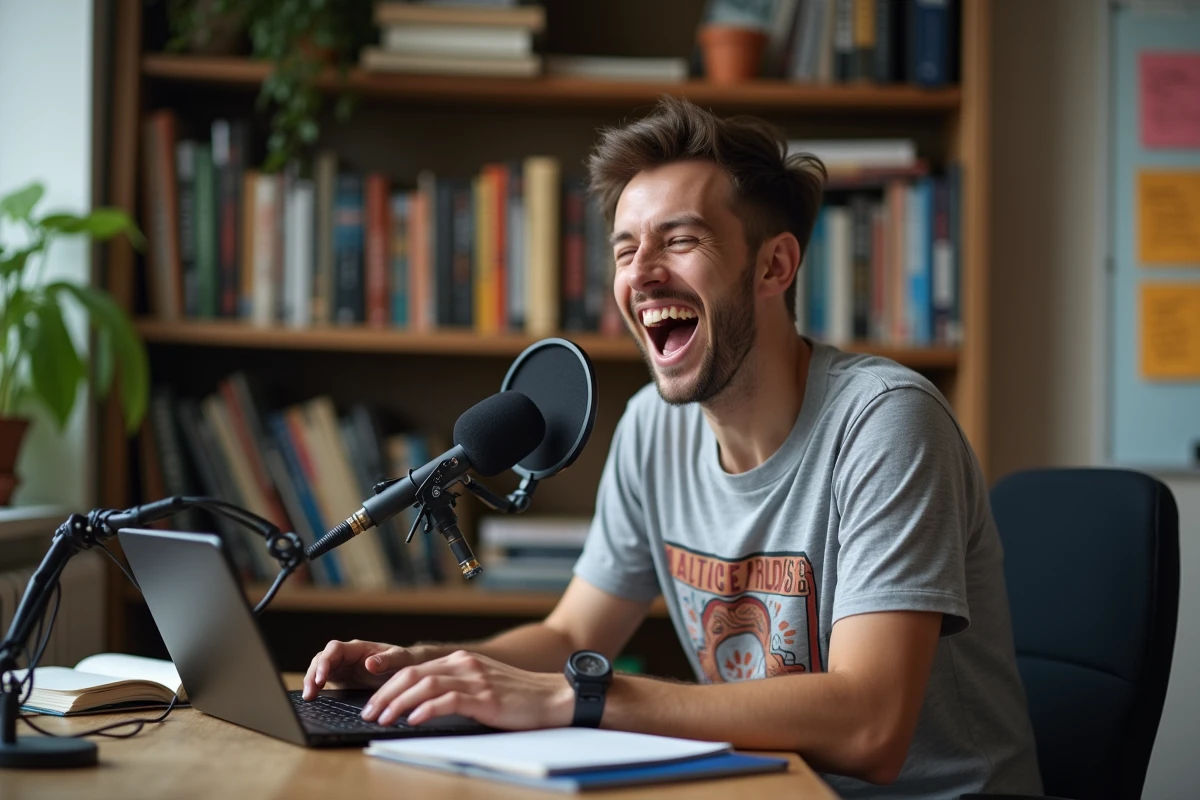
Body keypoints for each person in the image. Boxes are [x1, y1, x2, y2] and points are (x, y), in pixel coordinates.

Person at [303, 97, 1042, 797]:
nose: (642, 273)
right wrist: (428, 668)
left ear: (774, 267)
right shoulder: (651, 427)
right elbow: (572, 632)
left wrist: (582, 696)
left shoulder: (886, 424)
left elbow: (871, 726)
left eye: (679, 240)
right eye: (626, 250)